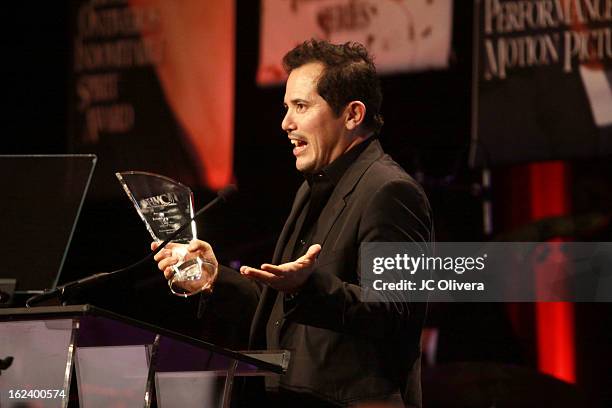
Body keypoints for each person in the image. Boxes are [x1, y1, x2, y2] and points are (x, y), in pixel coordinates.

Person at [153, 39, 433, 407]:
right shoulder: (310, 190)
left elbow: (396, 310)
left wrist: (308, 286)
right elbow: (282, 313)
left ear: (352, 115)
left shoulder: (391, 191)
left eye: (301, 106)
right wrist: (215, 277)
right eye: (287, 107)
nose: (286, 123)